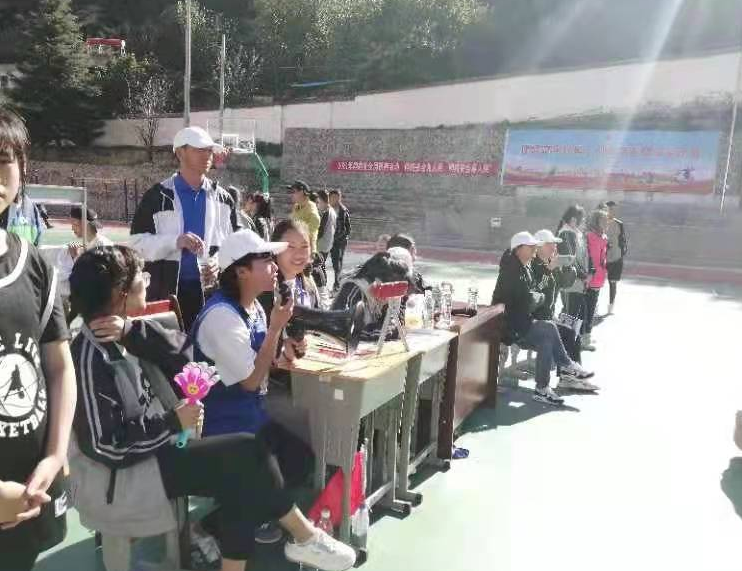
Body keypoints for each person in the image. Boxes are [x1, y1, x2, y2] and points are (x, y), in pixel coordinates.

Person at [67, 245, 356, 571]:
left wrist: (132, 331)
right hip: (122, 476)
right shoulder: (90, 356)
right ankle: (305, 537)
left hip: (158, 449)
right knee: (247, 456)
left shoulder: (127, 332)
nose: (147, 281)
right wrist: (171, 422)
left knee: (246, 466)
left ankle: (300, 541)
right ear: (120, 294)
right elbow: (107, 445)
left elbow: (186, 356)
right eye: (141, 279)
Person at [192, 229, 314, 545]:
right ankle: (212, 527)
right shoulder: (222, 317)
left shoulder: (254, 308)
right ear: (242, 271)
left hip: (250, 417)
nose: (275, 266)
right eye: (266, 261)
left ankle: (243, 516)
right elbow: (250, 382)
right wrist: (275, 330)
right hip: (222, 428)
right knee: (272, 466)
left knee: (301, 455)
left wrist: (284, 348)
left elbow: (264, 361)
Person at [0, 107, 77, 571]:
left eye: (3, 160)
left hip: (32, 488)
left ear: (21, 169)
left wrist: (55, 452)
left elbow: (59, 366)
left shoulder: (35, 267)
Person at [129, 126, 241, 330]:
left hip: (212, 294)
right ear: (180, 153)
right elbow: (136, 245)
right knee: (173, 347)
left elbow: (236, 244)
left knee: (206, 347)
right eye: (199, 149)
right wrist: (175, 241)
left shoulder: (224, 199)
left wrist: (218, 262)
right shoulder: (156, 196)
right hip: (166, 294)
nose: (207, 155)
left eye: (209, 150)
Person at [491, 231, 594, 406]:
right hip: (511, 327)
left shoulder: (524, 268)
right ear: (519, 249)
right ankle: (567, 366)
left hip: (523, 322)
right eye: (531, 247)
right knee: (549, 328)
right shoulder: (513, 271)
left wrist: (563, 269)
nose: (534, 249)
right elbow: (527, 300)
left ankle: (543, 388)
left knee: (547, 339)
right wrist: (538, 295)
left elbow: (559, 285)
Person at [531, 229, 598, 392]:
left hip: (548, 316)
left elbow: (565, 283)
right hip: (535, 318)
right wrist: (549, 269)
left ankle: (569, 377)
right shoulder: (532, 266)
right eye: (551, 244)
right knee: (565, 333)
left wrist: (569, 267)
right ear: (539, 246)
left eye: (555, 244)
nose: (555, 247)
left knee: (572, 332)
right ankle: (568, 375)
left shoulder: (551, 263)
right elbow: (536, 292)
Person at [331, 250, 413, 336]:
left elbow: (391, 320)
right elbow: (345, 325)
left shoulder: (387, 291)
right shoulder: (356, 287)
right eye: (396, 283)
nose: (397, 288)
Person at [556, 205, 593, 351]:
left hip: (578, 282)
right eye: (582, 219)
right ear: (573, 220)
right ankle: (562, 346)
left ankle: (569, 344)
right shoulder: (566, 233)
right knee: (570, 315)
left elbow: (583, 257)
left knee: (577, 313)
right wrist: (584, 276)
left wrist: (588, 273)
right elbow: (570, 260)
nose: (583, 222)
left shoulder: (576, 233)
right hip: (570, 283)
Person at [57, 205, 113, 300]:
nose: (72, 228)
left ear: (85, 224)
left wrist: (76, 256)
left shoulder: (102, 245)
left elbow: (93, 277)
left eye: (74, 224)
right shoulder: (88, 244)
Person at [584, 209, 609, 347]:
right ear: (596, 221)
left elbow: (602, 259)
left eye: (607, 220)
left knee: (591, 309)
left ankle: (585, 337)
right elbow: (590, 259)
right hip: (589, 280)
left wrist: (603, 272)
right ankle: (582, 338)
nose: (606, 223)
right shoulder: (589, 236)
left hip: (598, 279)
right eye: (603, 220)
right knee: (585, 310)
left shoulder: (604, 238)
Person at [603, 200, 628, 315]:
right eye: (610, 209)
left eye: (614, 210)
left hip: (616, 257)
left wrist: (622, 253)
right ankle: (593, 306)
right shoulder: (600, 223)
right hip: (602, 257)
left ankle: (611, 306)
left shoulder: (619, 224)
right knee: (595, 282)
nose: (612, 212)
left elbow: (623, 240)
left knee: (613, 282)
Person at [313, 190, 336, 307]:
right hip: (327, 244)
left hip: (322, 245)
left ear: (322, 200)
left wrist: (313, 239)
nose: (318, 205)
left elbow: (321, 230)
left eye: (318, 202)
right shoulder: (331, 211)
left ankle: (323, 290)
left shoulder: (327, 212)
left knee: (319, 267)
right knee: (321, 267)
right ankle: (324, 289)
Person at [287, 181, 320, 255]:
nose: (291, 195)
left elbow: (312, 230)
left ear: (302, 192)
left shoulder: (311, 208)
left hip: (306, 251)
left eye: (293, 192)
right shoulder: (296, 206)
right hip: (295, 248)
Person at [328, 189, 351, 290]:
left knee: (337, 262)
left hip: (339, 241)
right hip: (327, 239)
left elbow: (348, 229)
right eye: (332, 197)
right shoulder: (326, 209)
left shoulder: (343, 211)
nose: (334, 199)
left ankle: (337, 283)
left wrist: (338, 238)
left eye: (337, 197)